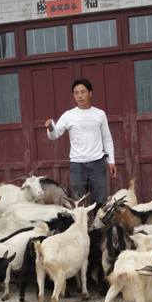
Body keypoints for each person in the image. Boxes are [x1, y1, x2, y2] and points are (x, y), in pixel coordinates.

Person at [45, 78, 117, 214]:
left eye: (83, 92)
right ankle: (82, 226)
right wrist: (50, 128)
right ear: (73, 95)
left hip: (97, 164)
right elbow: (54, 135)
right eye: (76, 93)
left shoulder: (99, 114)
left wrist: (111, 161)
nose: (80, 96)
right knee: (78, 203)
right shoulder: (69, 115)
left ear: (90, 93)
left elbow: (107, 138)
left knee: (100, 202)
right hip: (77, 166)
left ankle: (99, 226)